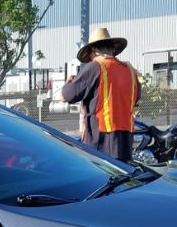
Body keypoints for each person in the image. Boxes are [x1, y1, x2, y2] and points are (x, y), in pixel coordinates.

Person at [59, 27, 141, 163]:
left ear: (93, 51)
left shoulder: (96, 67)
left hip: (100, 143)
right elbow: (136, 97)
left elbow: (67, 95)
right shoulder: (130, 71)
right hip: (125, 143)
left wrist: (69, 83)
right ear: (113, 49)